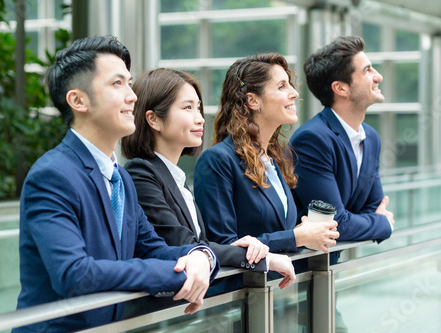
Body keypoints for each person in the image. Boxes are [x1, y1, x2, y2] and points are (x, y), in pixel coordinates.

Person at [13, 36, 218, 333]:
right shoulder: (52, 175)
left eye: (130, 83)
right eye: (117, 84)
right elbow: (74, 273)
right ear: (78, 100)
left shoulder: (120, 177)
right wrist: (178, 275)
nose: (132, 96)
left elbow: (152, 248)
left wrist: (200, 256)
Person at [121, 68, 295, 290]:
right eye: (188, 108)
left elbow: (200, 246)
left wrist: (241, 247)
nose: (200, 118)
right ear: (153, 119)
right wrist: (264, 258)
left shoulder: (174, 178)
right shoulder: (141, 173)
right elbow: (186, 246)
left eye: (199, 108)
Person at [193, 53, 339, 257]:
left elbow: (272, 231)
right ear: (253, 100)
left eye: (290, 85)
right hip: (242, 289)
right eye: (281, 86)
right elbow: (222, 246)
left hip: (276, 286)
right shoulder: (217, 160)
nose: (294, 93)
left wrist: (303, 230)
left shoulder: (274, 159)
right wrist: (297, 237)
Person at [290, 36, 395, 265]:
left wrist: (361, 220)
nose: (378, 76)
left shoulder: (371, 137)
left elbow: (372, 205)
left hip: (330, 269)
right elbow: (336, 223)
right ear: (340, 88)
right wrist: (382, 224)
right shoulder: (313, 139)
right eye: (367, 71)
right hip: (298, 275)